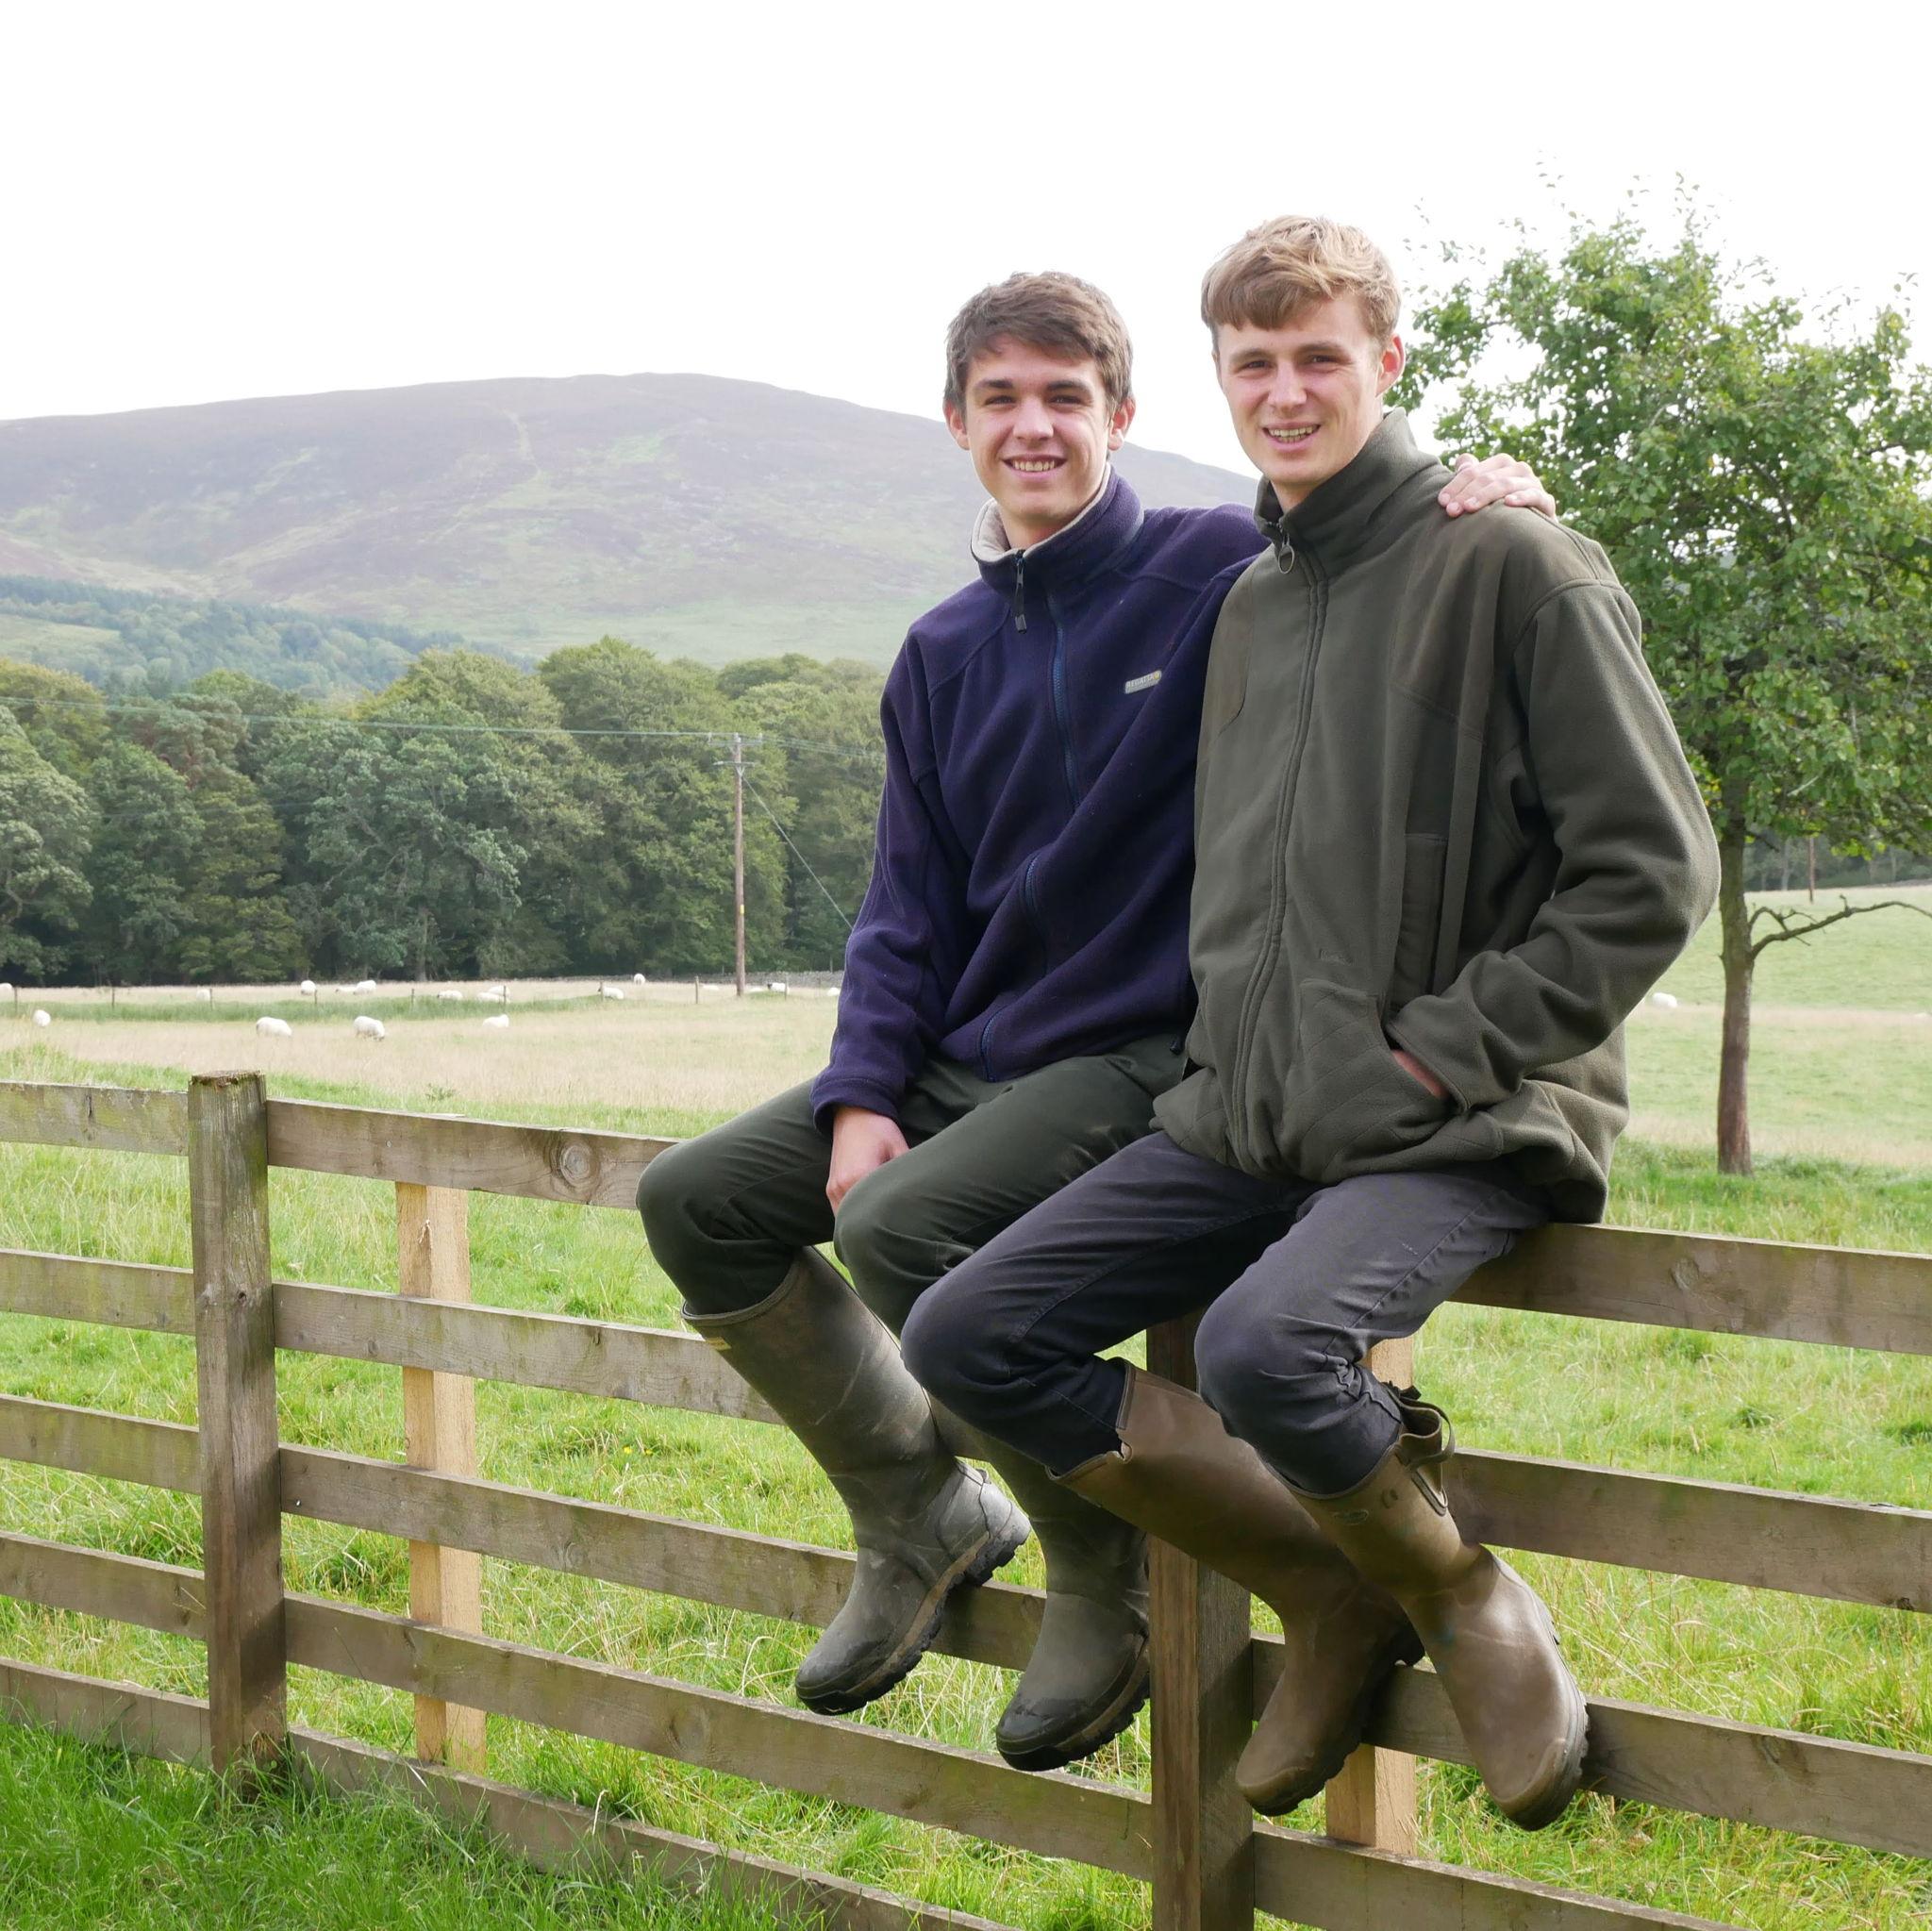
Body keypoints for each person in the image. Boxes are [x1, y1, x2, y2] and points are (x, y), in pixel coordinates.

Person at [638, 268, 1548, 1775]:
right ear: (955, 423)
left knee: (902, 1234)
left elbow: (1354, 523)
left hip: (1142, 1051)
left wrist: (1478, 488)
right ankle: (917, 1510)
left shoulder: (1213, 565)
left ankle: (1095, 1565)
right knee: (696, 1202)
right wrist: (863, 1092)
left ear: (1123, 415)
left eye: (1067, 397)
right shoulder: (941, 651)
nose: (1035, 427)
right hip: (972, 1053)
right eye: (1000, 398)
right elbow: (904, 905)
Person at [901, 218, 1719, 1828]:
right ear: (1217, 378)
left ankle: (1460, 1594)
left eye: (1320, 358)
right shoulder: (1253, 604)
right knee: (966, 1332)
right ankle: (1328, 1587)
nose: (1285, 392)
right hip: (1252, 1108)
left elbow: (1653, 871)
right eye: (1254, 362)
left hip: (1463, 1112)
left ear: (1388, 363)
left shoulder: (1517, 564)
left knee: (1270, 1346)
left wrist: (1443, 1048)